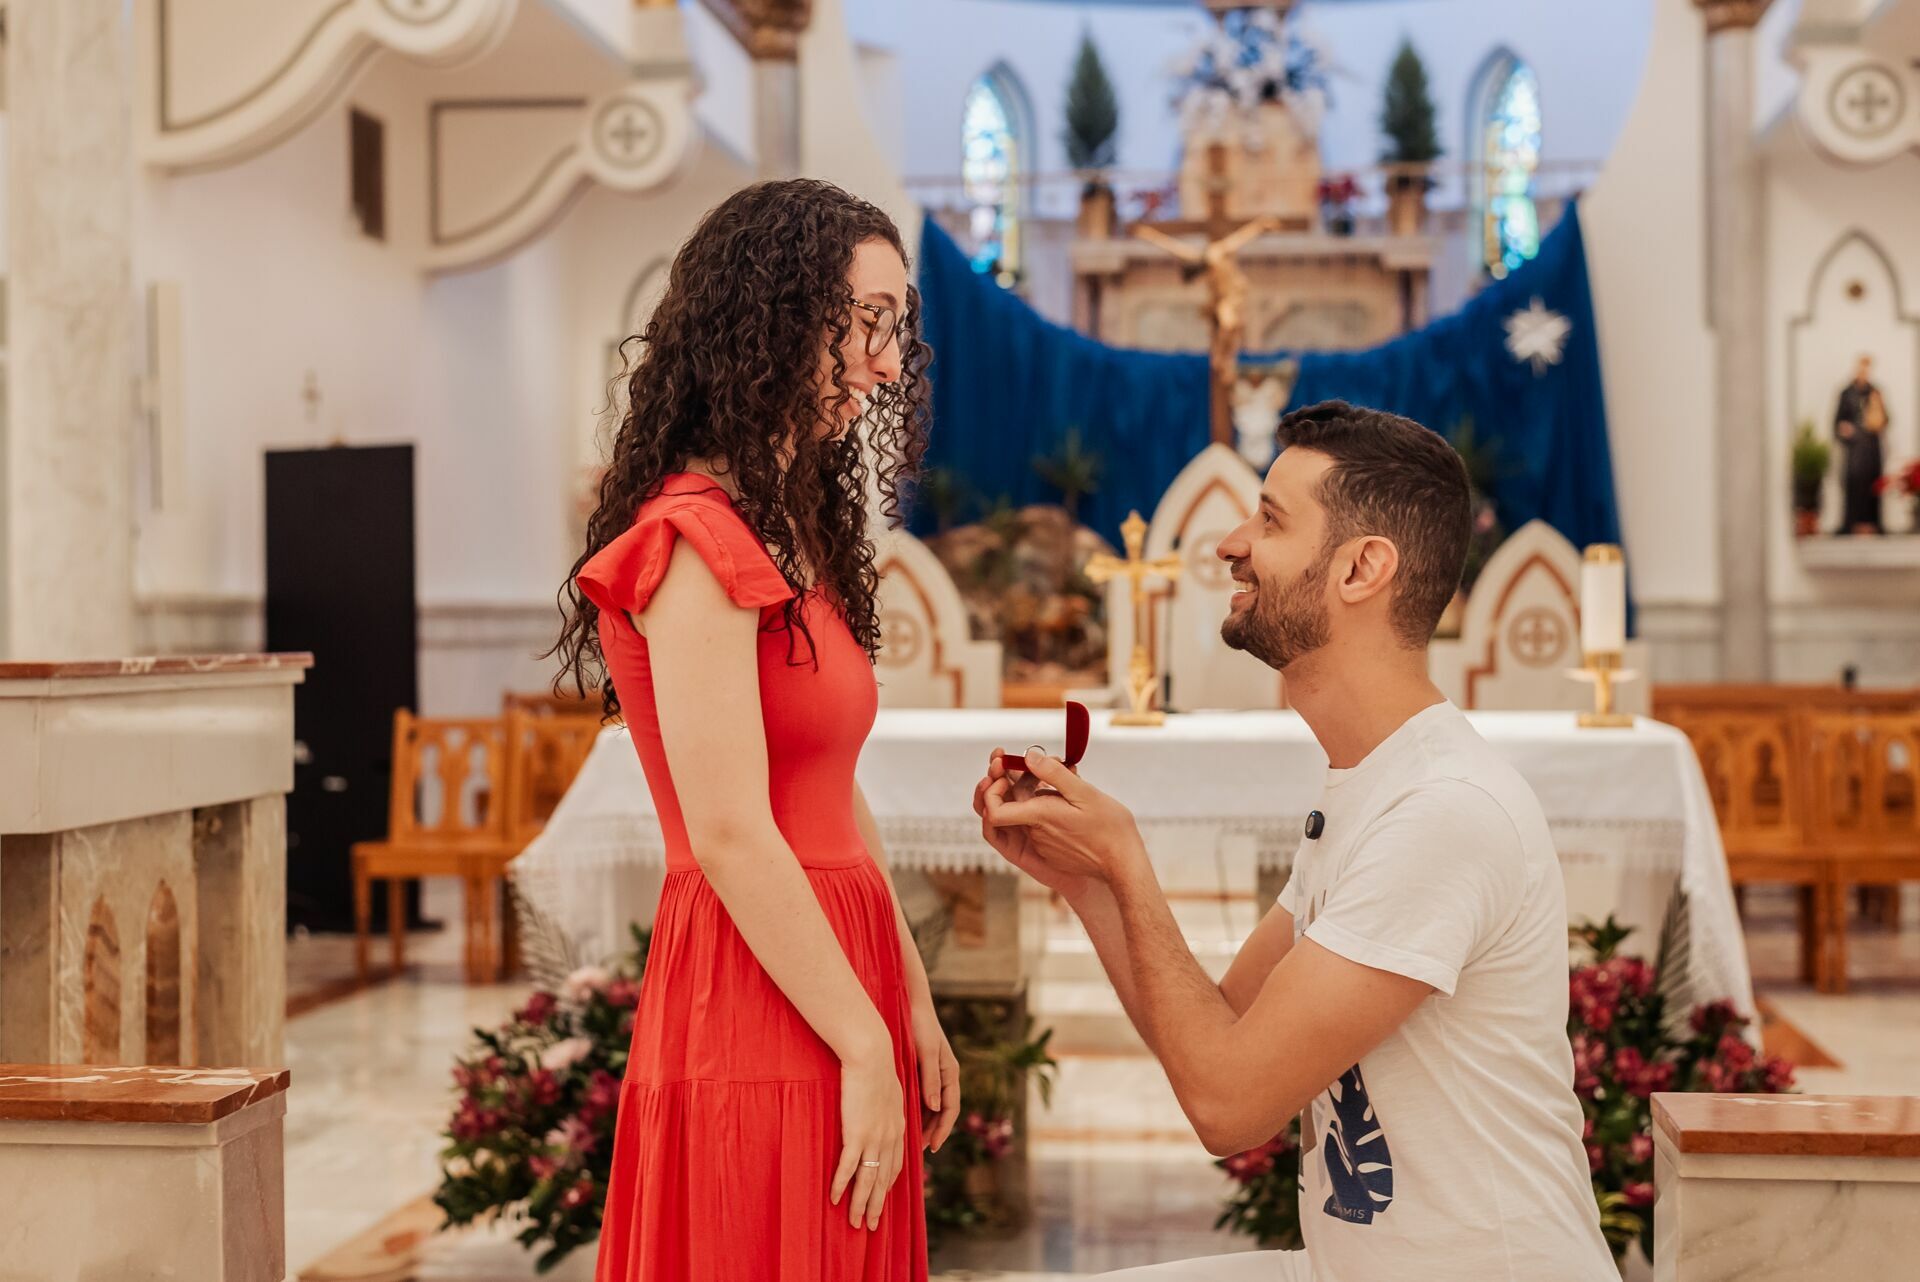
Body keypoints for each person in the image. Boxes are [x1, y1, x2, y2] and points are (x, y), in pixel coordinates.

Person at [974, 401, 1616, 1282]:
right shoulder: (1373, 781)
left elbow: (1230, 1107)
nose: (1229, 543)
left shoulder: (1443, 812)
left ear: (1362, 568)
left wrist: (1126, 856)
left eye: (1269, 520)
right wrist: (1090, 885)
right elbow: (1222, 1033)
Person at [551, 179, 959, 1282]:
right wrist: (860, 1036)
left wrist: (908, 995)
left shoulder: (788, 532)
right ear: (777, 312)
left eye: (897, 328)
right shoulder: (693, 539)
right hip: (758, 977)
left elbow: (828, 786)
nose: (885, 362)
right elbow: (731, 831)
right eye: (868, 320)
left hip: (838, 960)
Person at [1834, 354, 1889, 535]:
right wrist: (1846, 430)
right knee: (1854, 485)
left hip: (1871, 450)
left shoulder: (1875, 392)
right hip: (1855, 450)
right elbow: (1837, 422)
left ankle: (1873, 523)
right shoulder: (1846, 393)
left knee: (1873, 486)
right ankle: (1852, 523)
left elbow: (1885, 419)